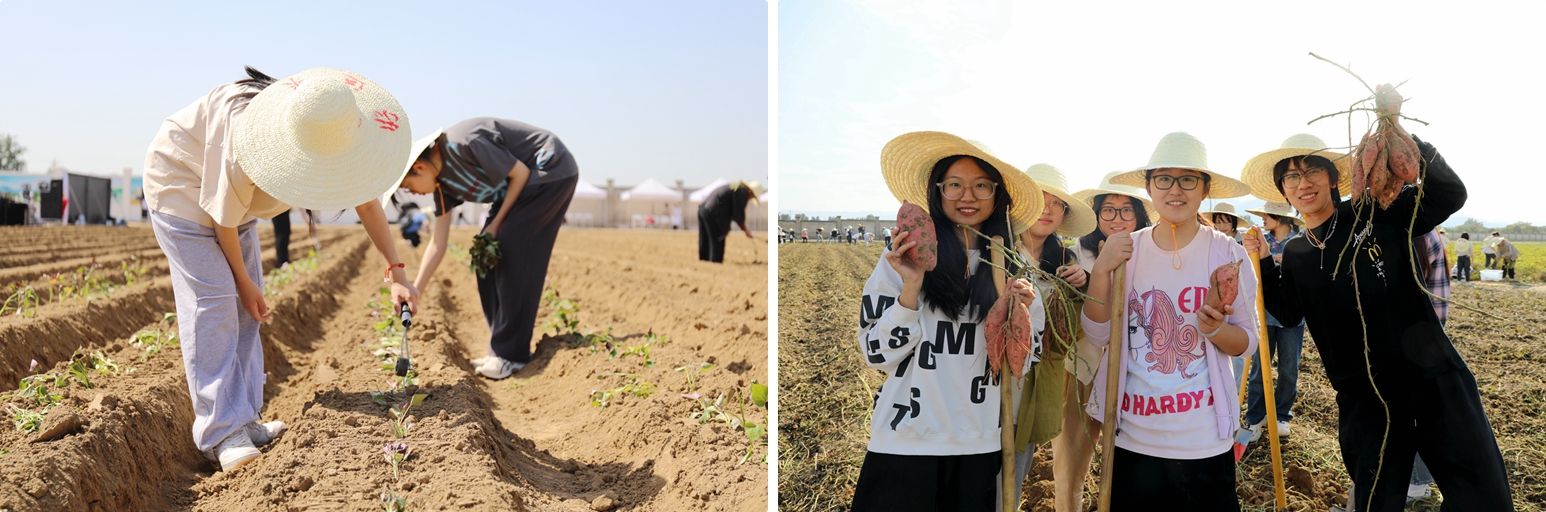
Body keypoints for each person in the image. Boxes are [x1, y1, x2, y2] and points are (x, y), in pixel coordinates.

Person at [143, 67, 419, 471]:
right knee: (216, 302)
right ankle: (221, 431)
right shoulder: (244, 137)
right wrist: (243, 281)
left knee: (248, 311)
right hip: (182, 189)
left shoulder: (335, 130)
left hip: (231, 208)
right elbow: (222, 219)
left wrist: (397, 271)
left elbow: (367, 202)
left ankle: (245, 417)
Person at [1241, 107, 1514, 510]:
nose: (1303, 183)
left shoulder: (1376, 212)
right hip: (1364, 399)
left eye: (1312, 171)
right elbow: (1289, 312)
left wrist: (1403, 137)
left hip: (1431, 377)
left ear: (1334, 179)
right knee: (1376, 500)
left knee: (1481, 492)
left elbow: (1449, 194)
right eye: (1292, 177)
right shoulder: (1297, 252)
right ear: (1283, 190)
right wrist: (1264, 261)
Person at [852, 132, 1045, 511]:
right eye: (954, 185)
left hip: (978, 441)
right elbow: (875, 354)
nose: (967, 196)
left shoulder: (1013, 269)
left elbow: (1026, 360)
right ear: (937, 191)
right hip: (905, 439)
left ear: (997, 195)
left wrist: (1018, 317)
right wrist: (911, 287)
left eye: (980, 186)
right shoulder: (903, 258)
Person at [1083, 132, 1260, 511]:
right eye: (1163, 179)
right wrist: (1100, 270)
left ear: (1204, 188)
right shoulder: (1129, 250)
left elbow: (1248, 342)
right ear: (1149, 187)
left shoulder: (1227, 253)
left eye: (1188, 180)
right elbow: (1098, 334)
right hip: (1133, 436)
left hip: (1204, 438)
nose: (1174, 190)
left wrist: (1215, 330)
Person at [397, 117, 579, 380]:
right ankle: (501, 347)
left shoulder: (464, 144)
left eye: (409, 186)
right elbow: (438, 243)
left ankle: (511, 355)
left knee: (510, 248)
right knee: (484, 255)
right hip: (515, 189)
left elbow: (521, 173)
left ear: (419, 167)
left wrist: (497, 224)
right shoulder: (441, 186)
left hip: (548, 170)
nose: (413, 193)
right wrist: (416, 291)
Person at [1045, 171, 1154, 512]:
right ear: (1095, 214)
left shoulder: (1153, 254)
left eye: (1126, 210)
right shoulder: (1075, 254)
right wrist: (1082, 280)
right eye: (1108, 209)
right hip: (1084, 371)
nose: (1117, 218)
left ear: (1138, 215)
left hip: (1137, 375)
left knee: (1132, 465)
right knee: (1070, 462)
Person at [1003, 164, 1094, 510]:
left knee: (1017, 467)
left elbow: (1070, 331)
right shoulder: (999, 250)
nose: (1048, 209)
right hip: (991, 383)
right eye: (1040, 199)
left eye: (1058, 204)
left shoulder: (1064, 260)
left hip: (1036, 384)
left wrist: (1081, 286)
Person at [1240, 200, 1306, 442]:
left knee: (1289, 369)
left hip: (1292, 319)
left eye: (1267, 216)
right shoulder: (1260, 242)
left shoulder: (1301, 243)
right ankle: (1255, 418)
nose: (1263, 220)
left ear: (1281, 219)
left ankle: (1281, 416)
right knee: (1259, 369)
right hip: (1265, 314)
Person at [695, 181, 759, 262]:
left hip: (703, 210)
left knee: (705, 239)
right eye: (752, 197)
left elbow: (731, 208)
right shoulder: (742, 192)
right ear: (751, 191)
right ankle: (715, 262)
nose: (750, 199)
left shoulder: (736, 187)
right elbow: (738, 213)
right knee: (717, 238)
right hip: (713, 213)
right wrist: (745, 230)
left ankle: (704, 261)